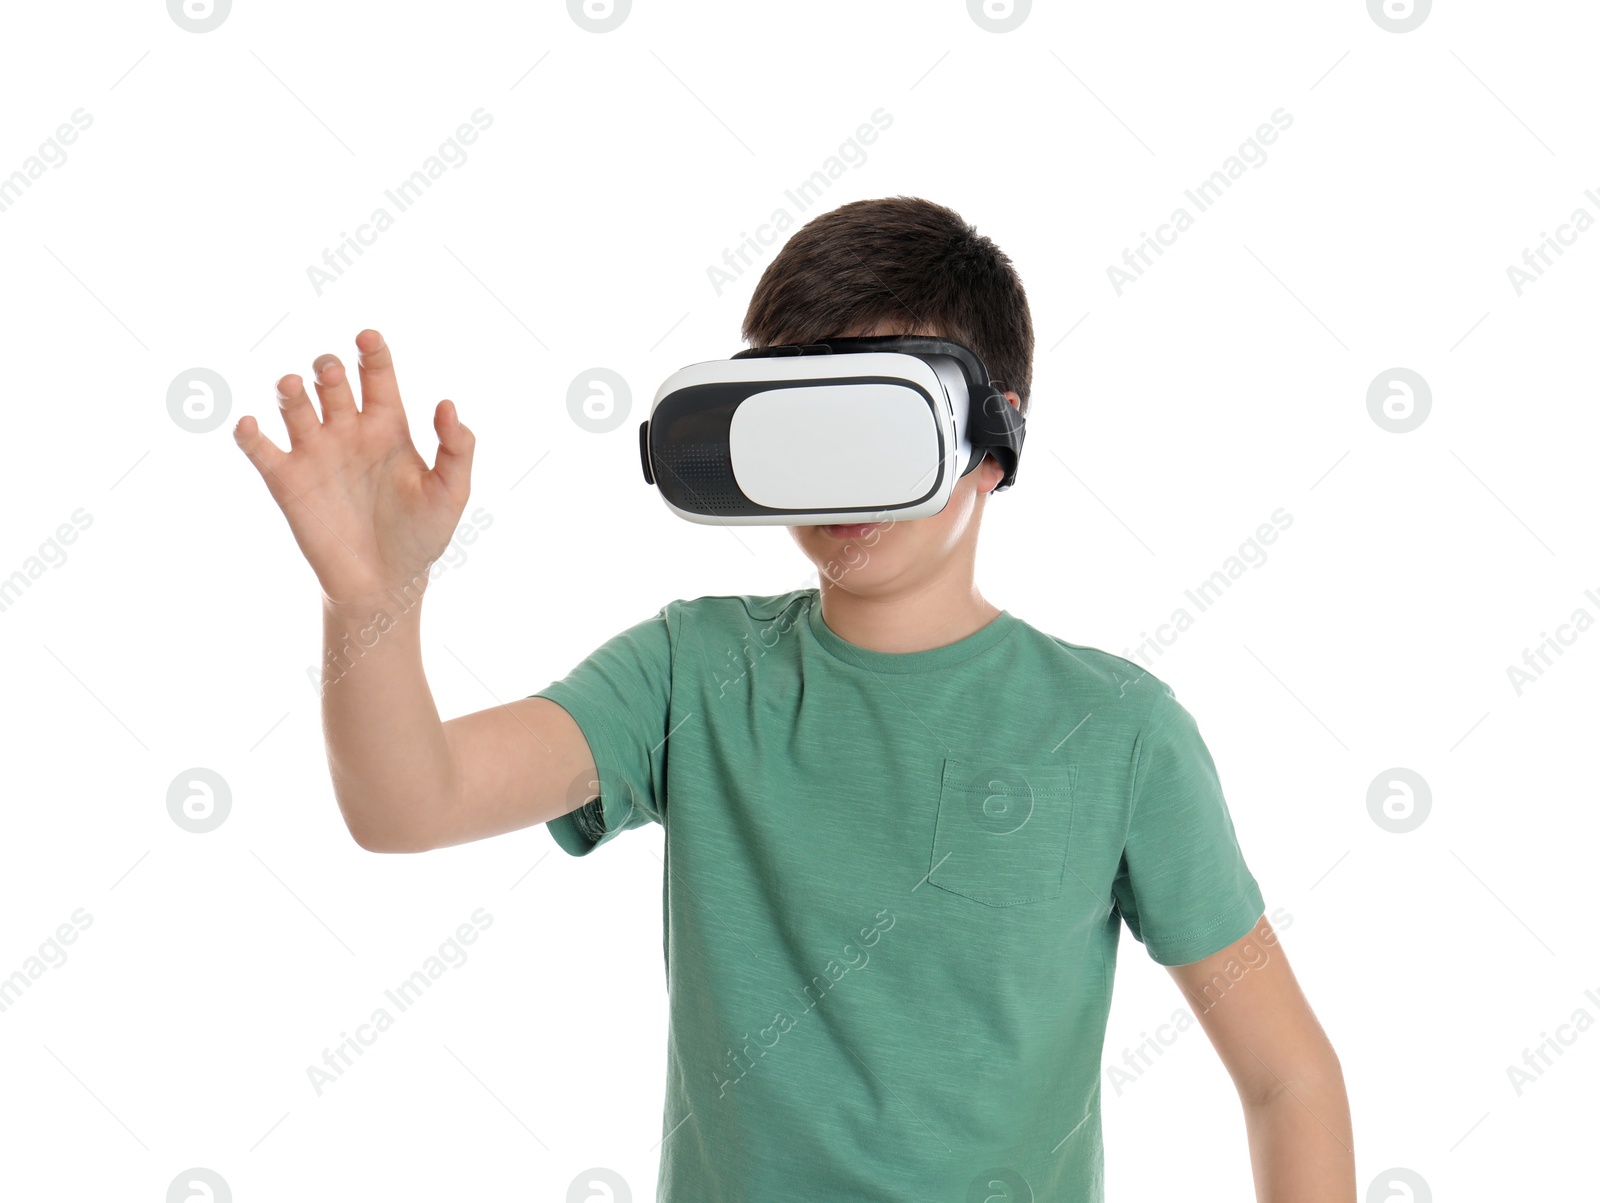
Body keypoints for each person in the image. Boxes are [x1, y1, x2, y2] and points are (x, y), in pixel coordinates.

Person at [233, 196, 1354, 1201]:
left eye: (875, 423)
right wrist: (372, 605)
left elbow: (1286, 1076)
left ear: (990, 440)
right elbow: (406, 804)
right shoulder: (690, 672)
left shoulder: (1119, 732)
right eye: (797, 421)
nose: (837, 480)